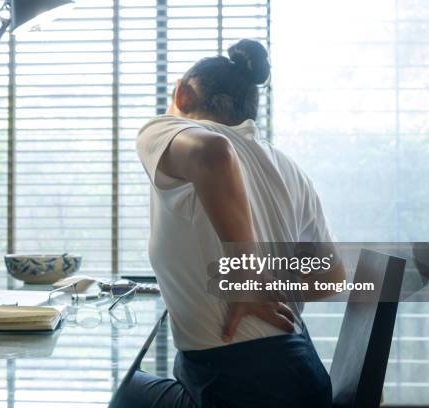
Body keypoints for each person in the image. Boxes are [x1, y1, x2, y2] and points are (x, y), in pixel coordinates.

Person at [113, 39, 347, 408]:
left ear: (183, 94)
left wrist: (248, 276)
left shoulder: (165, 130)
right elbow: (331, 279)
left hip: (239, 390)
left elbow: (213, 154)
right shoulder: (288, 168)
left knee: (118, 391)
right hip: (305, 381)